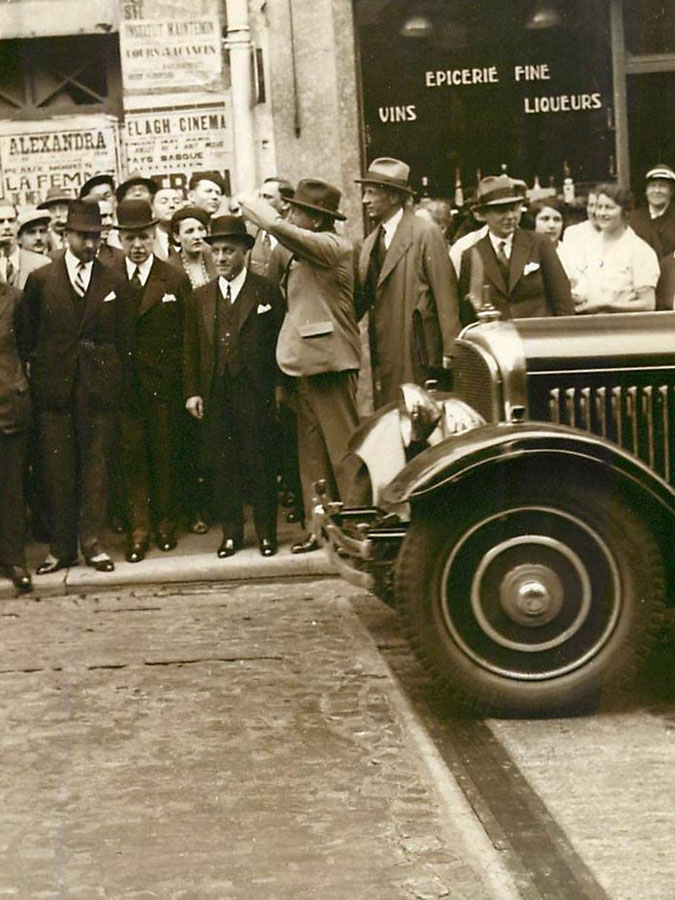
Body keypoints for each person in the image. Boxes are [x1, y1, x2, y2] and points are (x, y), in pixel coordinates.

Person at [241, 179, 362, 555]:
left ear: (316, 219)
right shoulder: (296, 252)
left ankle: (359, 524)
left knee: (342, 451)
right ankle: (319, 527)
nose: (290, 214)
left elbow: (278, 228)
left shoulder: (334, 246)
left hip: (330, 362)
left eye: (297, 210)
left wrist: (254, 205)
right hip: (302, 363)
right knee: (310, 454)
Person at [17, 200, 126, 574]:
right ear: (66, 236)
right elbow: (28, 337)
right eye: (83, 236)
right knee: (57, 472)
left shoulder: (113, 280)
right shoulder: (41, 280)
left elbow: (122, 337)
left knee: (96, 468)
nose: (91, 244)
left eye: (96, 237)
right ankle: (61, 548)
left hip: (98, 390)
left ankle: (92, 544)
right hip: (56, 392)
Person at [184, 216, 284, 558]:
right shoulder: (200, 297)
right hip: (216, 391)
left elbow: (279, 342)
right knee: (222, 464)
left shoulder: (265, 290)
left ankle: (266, 533)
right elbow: (191, 348)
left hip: (255, 391)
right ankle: (231, 534)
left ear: (244, 252)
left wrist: (279, 388)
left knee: (260, 461)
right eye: (216, 251)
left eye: (228, 250)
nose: (221, 257)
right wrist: (193, 391)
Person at [113, 200, 191, 562]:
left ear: (154, 235)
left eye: (143, 237)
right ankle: (138, 530)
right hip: (124, 388)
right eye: (130, 238)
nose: (137, 246)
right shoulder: (109, 277)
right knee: (131, 459)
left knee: (165, 455)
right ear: (120, 239)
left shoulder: (172, 278)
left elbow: (188, 338)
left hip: (163, 386)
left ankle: (165, 523)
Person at [356, 157, 459, 409]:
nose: (365, 200)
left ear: (393, 197)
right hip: (386, 348)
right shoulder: (371, 242)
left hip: (418, 349)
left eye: (371, 192)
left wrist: (451, 350)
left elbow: (445, 294)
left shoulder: (425, 232)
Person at [458, 174, 574, 323]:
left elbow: (563, 300)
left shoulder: (539, 243)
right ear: (483, 214)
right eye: (501, 211)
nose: (510, 216)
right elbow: (467, 313)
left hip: (538, 333)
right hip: (497, 335)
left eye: (514, 209)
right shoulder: (472, 255)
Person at [573, 183, 659, 314]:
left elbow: (648, 304)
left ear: (624, 212)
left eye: (609, 208)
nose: (602, 213)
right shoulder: (588, 245)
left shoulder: (640, 251)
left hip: (622, 324)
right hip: (588, 322)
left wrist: (606, 306)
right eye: (599, 207)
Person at [0, 278, 32, 592]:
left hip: (9, 404)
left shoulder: (15, 299)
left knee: (11, 488)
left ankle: (14, 560)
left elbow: (28, 347)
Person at [629, 165, 675, 310]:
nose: (657, 190)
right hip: (640, 285)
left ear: (672, 191)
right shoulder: (633, 219)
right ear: (646, 191)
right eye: (652, 186)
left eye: (662, 186)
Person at [249, 176, 294, 284]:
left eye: (267, 197)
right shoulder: (250, 233)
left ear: (286, 204)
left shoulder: (296, 236)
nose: (260, 202)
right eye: (259, 196)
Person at [0, 198, 50, 288]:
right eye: (1, 222)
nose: (7, 227)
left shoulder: (42, 264)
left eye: (11, 221)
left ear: (18, 225)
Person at [167, 206, 217, 290]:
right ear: (176, 237)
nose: (197, 236)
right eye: (189, 231)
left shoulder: (216, 261)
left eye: (201, 229)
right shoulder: (169, 269)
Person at [37, 187, 71, 253]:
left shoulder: (80, 239)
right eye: (52, 210)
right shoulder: (41, 242)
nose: (58, 214)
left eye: (62, 209)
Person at [152, 186, 183, 259]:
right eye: (164, 202)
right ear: (152, 209)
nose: (172, 205)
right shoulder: (148, 238)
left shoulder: (192, 235)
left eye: (177, 202)